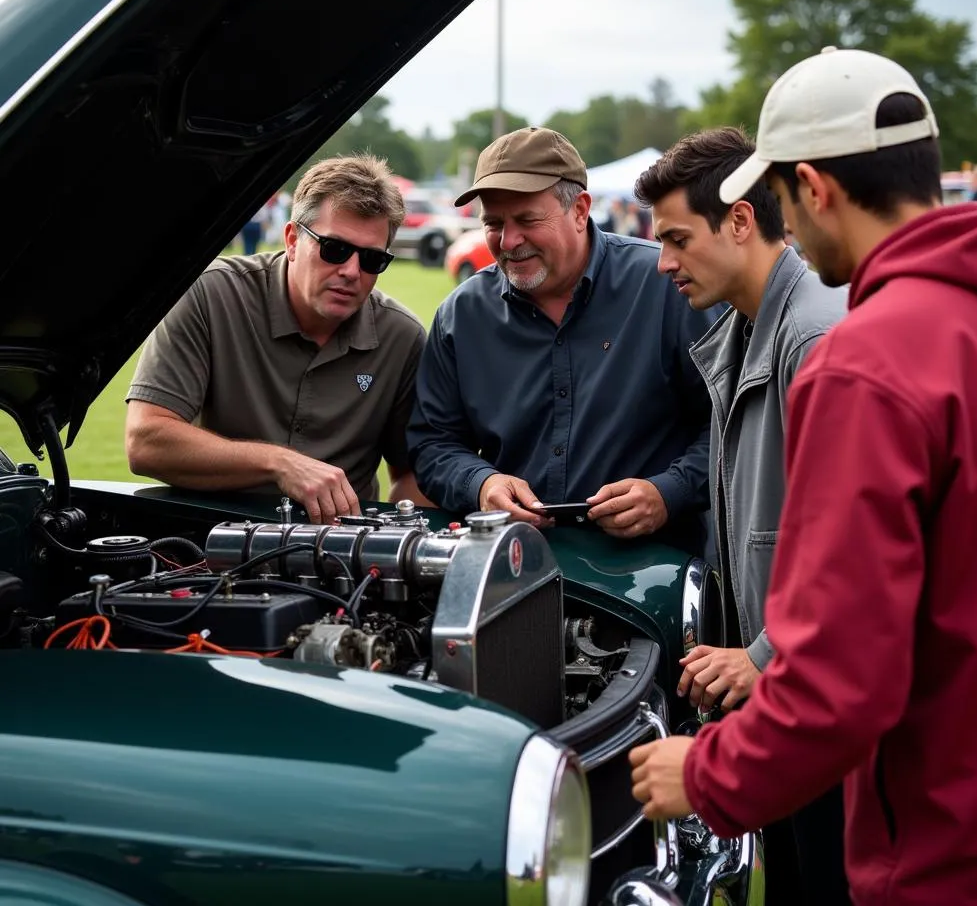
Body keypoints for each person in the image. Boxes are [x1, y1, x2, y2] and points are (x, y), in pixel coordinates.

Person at [628, 47, 977, 905]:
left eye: (783, 198)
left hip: (941, 838)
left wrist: (706, 773)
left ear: (814, 186)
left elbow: (844, 677)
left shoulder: (864, 357)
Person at [634, 126, 848, 904]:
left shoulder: (817, 336)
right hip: (788, 698)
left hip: (825, 710)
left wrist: (760, 654)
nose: (662, 263)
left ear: (740, 222)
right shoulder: (750, 328)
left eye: (677, 239)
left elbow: (855, 552)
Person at [407, 126, 718, 548]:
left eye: (527, 220)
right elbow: (433, 443)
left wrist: (670, 492)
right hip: (514, 568)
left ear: (580, 210)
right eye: (494, 223)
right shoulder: (461, 316)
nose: (509, 240)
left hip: (653, 574)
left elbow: (728, 420)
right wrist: (481, 483)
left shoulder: (668, 288)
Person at [125, 154, 428, 523]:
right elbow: (145, 440)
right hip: (213, 543)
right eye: (335, 249)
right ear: (292, 240)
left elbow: (411, 474)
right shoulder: (211, 294)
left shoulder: (402, 337)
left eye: (372, 260)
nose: (351, 271)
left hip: (340, 558)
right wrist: (280, 464)